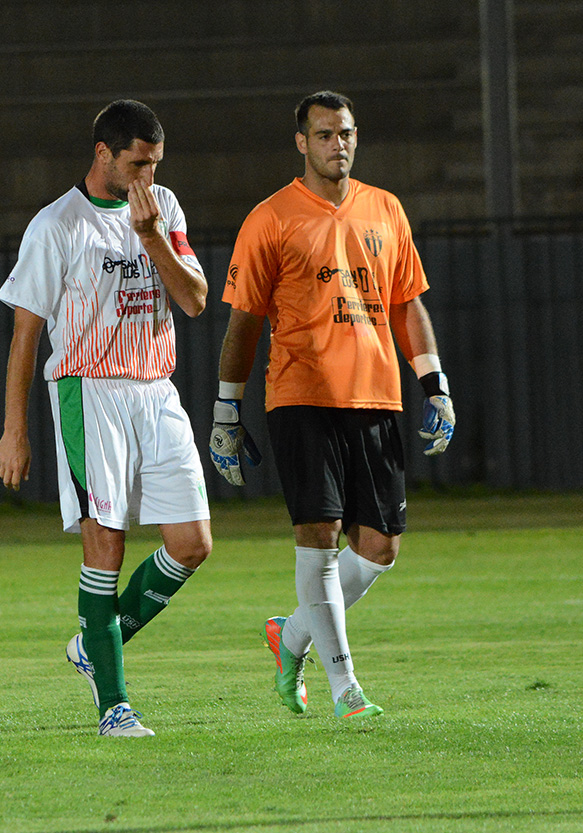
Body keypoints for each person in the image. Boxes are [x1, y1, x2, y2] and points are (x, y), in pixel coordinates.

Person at [210, 90, 455, 719]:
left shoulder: (386, 208)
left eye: (344, 133)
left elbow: (406, 304)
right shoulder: (272, 217)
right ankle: (347, 691)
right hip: (300, 394)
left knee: (379, 546)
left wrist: (436, 385)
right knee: (317, 538)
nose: (336, 144)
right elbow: (244, 323)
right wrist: (226, 412)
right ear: (302, 142)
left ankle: (290, 637)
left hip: (376, 395)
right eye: (323, 135)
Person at [0, 99, 213, 737]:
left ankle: (97, 642)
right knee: (106, 540)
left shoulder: (162, 208)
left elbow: (195, 300)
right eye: (137, 163)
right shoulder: (57, 225)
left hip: (156, 388)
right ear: (103, 155)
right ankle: (113, 706)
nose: (147, 175)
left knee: (192, 544)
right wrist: (15, 428)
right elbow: (25, 337)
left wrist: (149, 237)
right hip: (91, 391)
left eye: (154, 164)